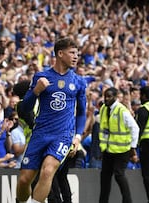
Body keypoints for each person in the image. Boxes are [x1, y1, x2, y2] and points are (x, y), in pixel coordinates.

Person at [16, 37, 87, 203]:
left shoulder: (79, 82)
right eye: (72, 53)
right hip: (40, 134)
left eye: (77, 53)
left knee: (48, 171)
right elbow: (25, 108)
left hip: (63, 135)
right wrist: (35, 92)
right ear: (60, 54)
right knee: (24, 180)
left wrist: (77, 136)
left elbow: (82, 112)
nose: (76, 57)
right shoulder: (41, 77)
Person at [99, 87, 139, 203]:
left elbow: (135, 128)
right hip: (108, 149)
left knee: (119, 174)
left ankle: (127, 201)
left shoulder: (122, 110)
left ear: (116, 97)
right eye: (105, 96)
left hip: (122, 150)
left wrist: (132, 147)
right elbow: (104, 129)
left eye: (109, 96)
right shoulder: (103, 109)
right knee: (105, 177)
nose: (106, 99)